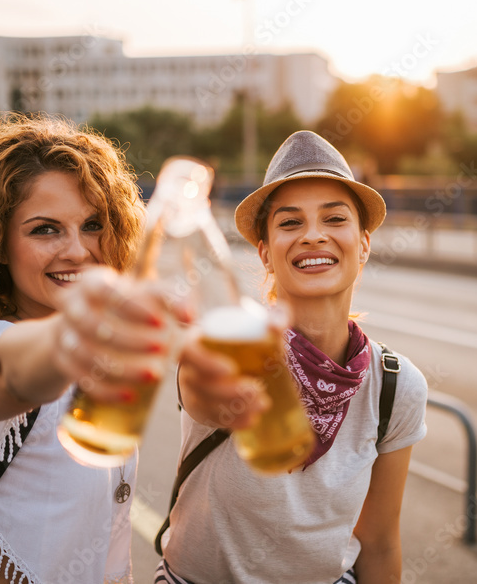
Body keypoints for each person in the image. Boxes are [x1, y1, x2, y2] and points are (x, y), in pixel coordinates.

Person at [0, 114, 265, 583]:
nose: (76, 250)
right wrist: (78, 335)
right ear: (0, 245)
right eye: (44, 229)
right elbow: (9, 375)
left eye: (92, 225)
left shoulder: (117, 349)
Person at [158, 131, 429, 584]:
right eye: (289, 223)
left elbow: (380, 544)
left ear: (363, 245)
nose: (314, 236)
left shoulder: (396, 387)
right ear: (265, 253)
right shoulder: (231, 350)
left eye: (334, 219)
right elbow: (208, 389)